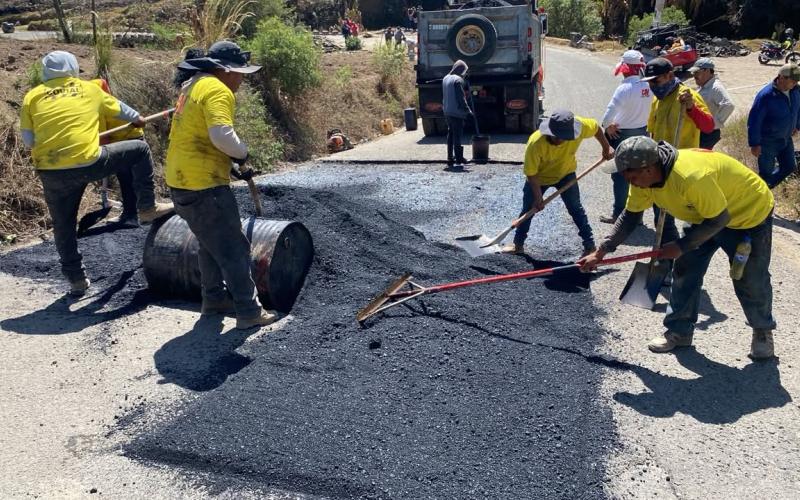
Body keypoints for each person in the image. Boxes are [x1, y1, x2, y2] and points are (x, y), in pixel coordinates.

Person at [579, 136, 777, 359]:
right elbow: (631, 217)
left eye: (631, 176)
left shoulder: (689, 177)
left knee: (749, 278)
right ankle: (679, 331)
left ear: (648, 168)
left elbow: (719, 219)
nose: (629, 181)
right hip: (705, 215)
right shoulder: (642, 180)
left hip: (747, 216)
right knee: (684, 271)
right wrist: (601, 251)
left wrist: (682, 245)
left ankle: (762, 330)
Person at [19, 51, 173, 296]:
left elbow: (28, 141)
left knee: (63, 225)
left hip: (51, 171)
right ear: (72, 68)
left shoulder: (32, 96)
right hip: (89, 161)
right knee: (140, 149)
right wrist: (139, 120)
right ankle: (147, 207)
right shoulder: (89, 89)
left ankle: (76, 280)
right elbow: (129, 114)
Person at [166, 41, 276, 330]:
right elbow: (221, 134)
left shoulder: (193, 85)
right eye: (239, 73)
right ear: (225, 71)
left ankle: (213, 298)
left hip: (181, 181)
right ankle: (249, 311)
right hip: (203, 186)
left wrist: (228, 163)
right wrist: (242, 153)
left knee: (208, 242)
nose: (241, 80)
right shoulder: (217, 90)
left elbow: (198, 136)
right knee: (232, 247)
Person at [501, 109, 614, 256]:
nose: (561, 140)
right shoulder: (536, 143)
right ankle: (518, 245)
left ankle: (590, 246)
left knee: (575, 208)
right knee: (527, 210)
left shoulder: (579, 127)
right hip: (539, 178)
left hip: (566, 173)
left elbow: (597, 129)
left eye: (565, 137)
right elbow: (531, 173)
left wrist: (606, 148)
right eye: (557, 137)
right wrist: (538, 198)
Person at [641, 57, 714, 245]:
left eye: (656, 81)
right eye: (649, 82)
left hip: (684, 169)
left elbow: (708, 126)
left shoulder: (688, 97)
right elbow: (652, 132)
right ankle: (666, 261)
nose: (652, 86)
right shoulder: (658, 100)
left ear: (670, 75)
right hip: (661, 169)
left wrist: (691, 108)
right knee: (662, 220)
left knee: (692, 220)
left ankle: (687, 257)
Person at [599, 49, 651, 224]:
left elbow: (607, 118)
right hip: (642, 133)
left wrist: (608, 126)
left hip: (623, 136)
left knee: (620, 177)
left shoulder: (624, 88)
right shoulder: (648, 87)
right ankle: (638, 215)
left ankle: (619, 214)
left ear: (625, 68)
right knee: (640, 174)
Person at [90, 77, 146, 228]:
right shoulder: (109, 101)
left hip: (127, 142)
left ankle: (131, 216)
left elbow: (103, 138)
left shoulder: (97, 106)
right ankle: (139, 212)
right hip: (132, 139)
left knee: (127, 179)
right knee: (132, 179)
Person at [747, 63, 800, 189]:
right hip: (767, 142)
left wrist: (797, 125)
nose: (795, 83)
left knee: (789, 166)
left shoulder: (795, 91)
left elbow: (798, 109)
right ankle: (760, 196)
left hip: (786, 139)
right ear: (782, 77)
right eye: (793, 80)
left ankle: (766, 188)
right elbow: (754, 121)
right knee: (765, 173)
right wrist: (755, 144)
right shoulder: (766, 96)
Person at [689, 58, 735, 150]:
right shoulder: (704, 87)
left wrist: (714, 124)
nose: (694, 75)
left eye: (697, 72)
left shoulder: (716, 87)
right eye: (693, 73)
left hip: (707, 133)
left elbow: (729, 105)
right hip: (701, 131)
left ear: (707, 71)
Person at [442, 59, 473, 170]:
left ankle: (450, 158)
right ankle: (459, 160)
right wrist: (468, 111)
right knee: (457, 136)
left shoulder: (445, 78)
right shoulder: (458, 80)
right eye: (465, 71)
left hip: (447, 111)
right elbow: (461, 98)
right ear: (461, 70)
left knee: (450, 134)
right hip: (456, 112)